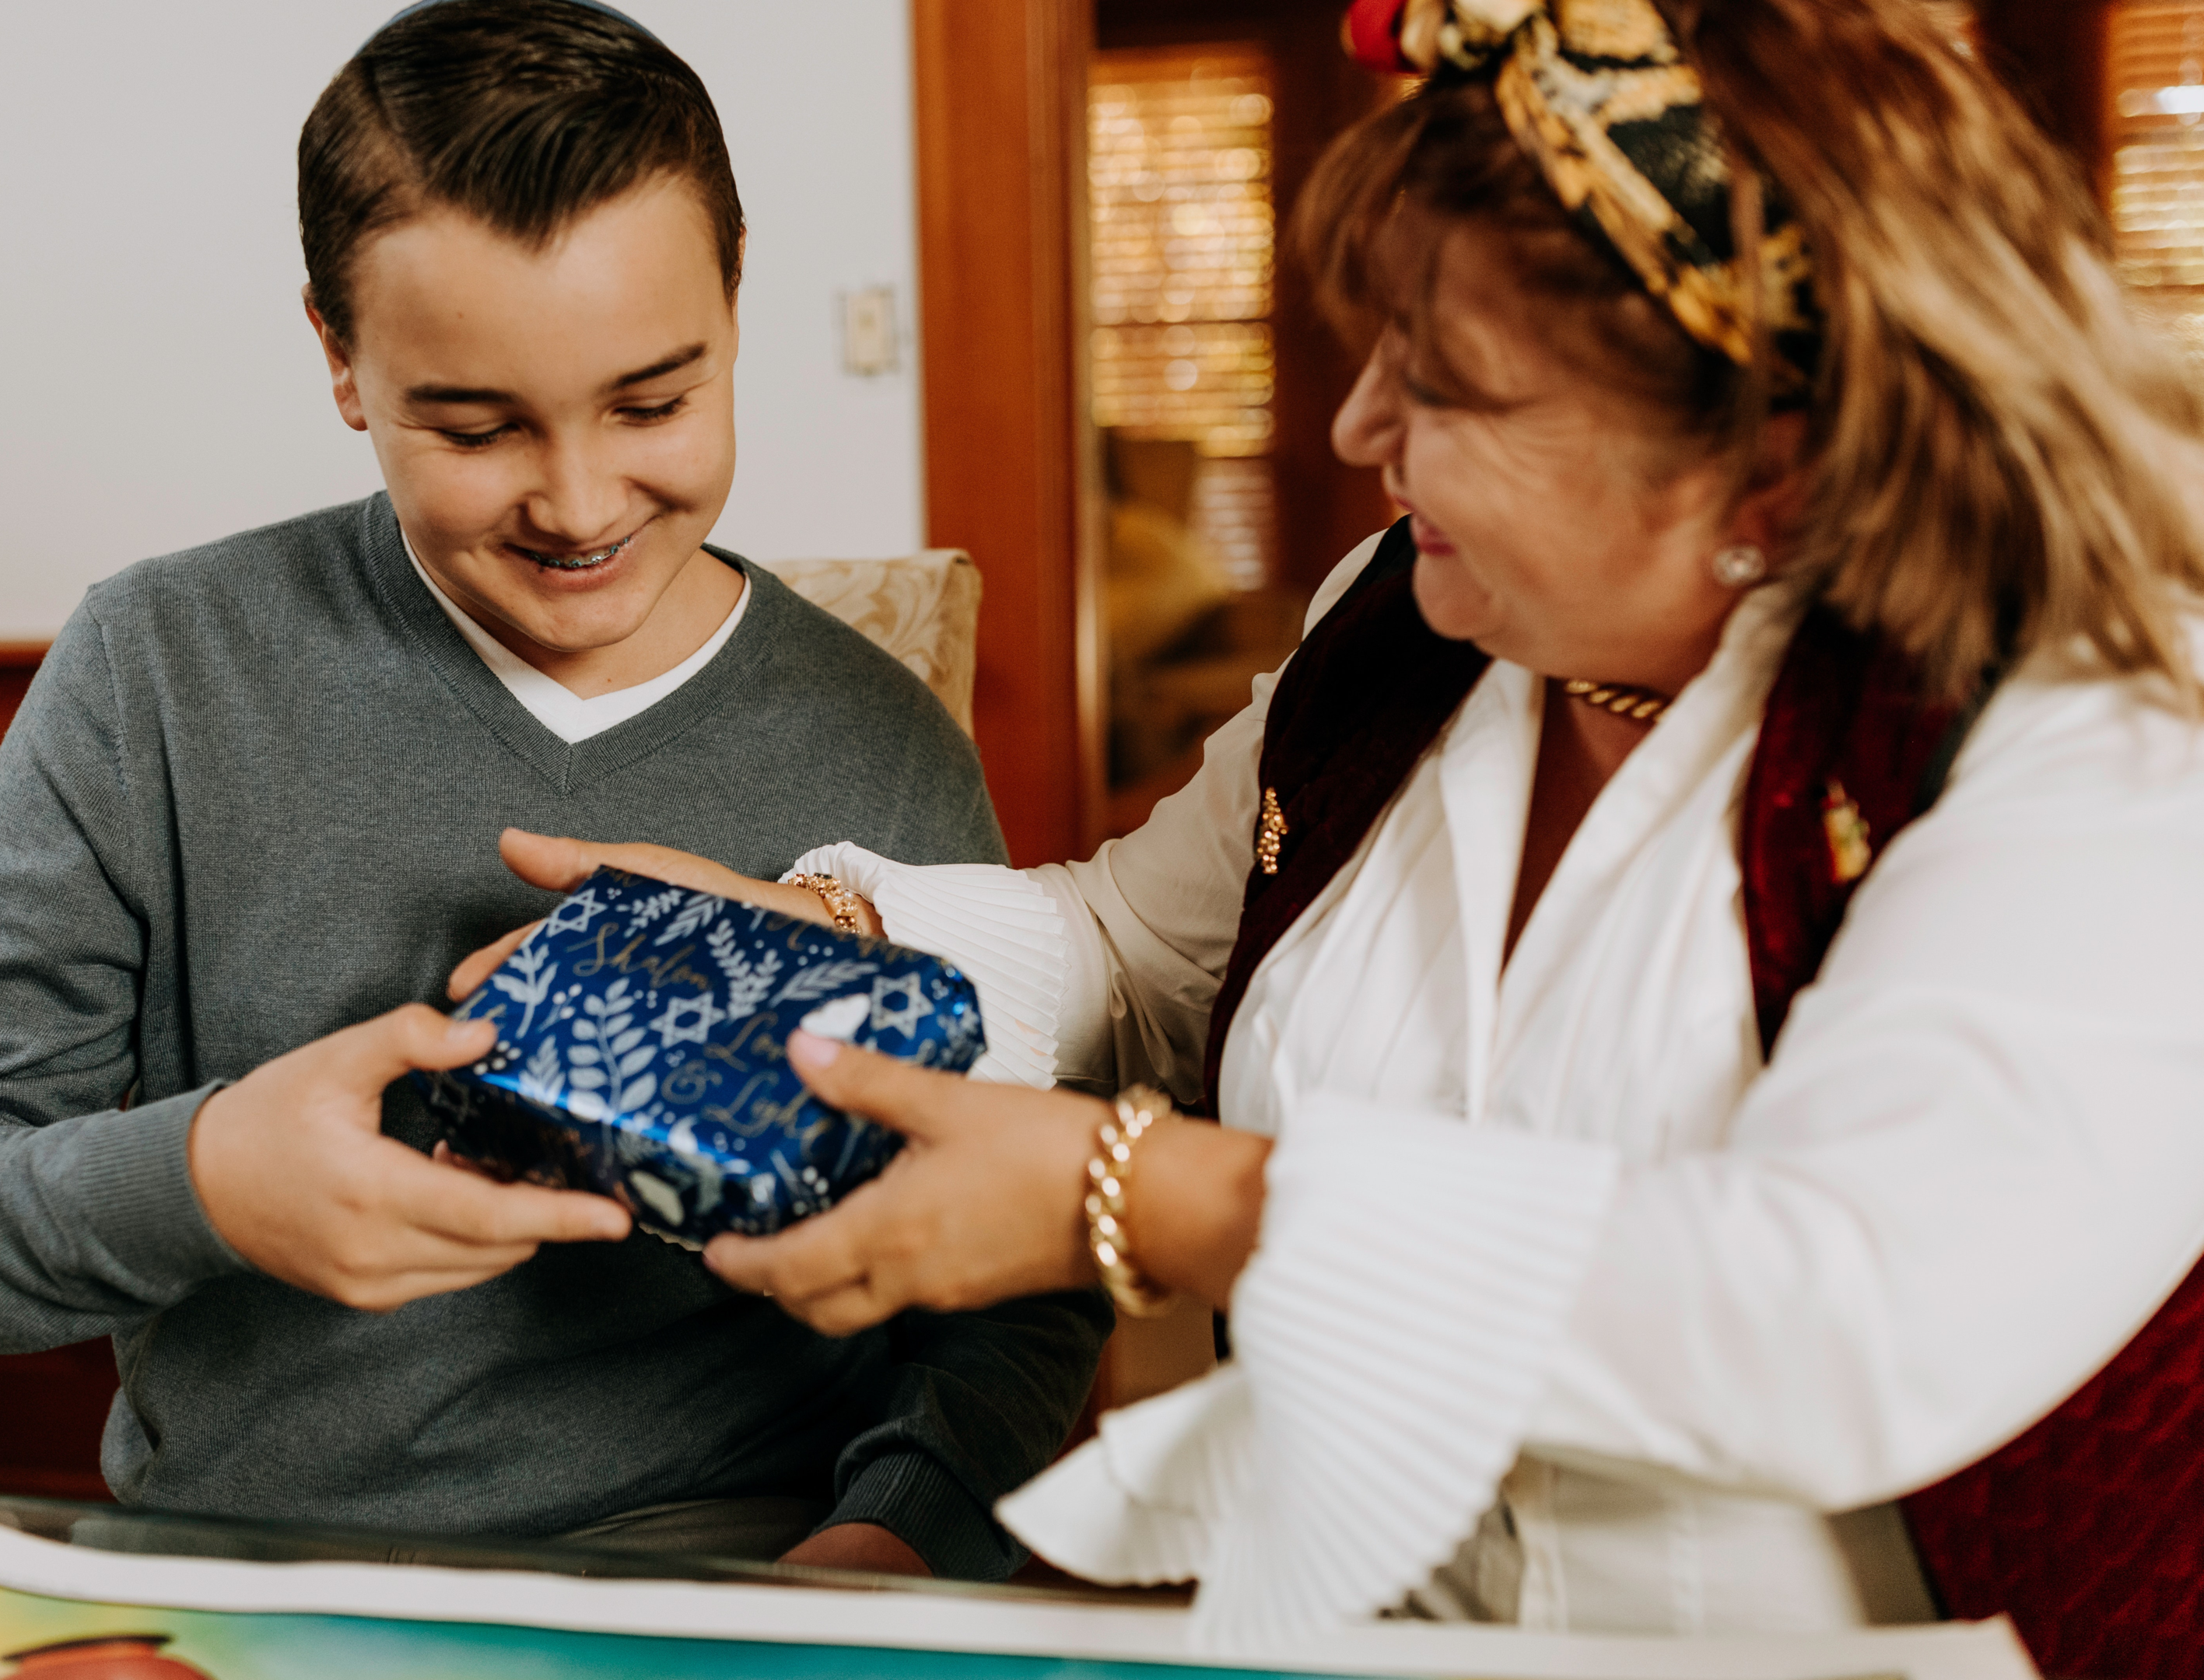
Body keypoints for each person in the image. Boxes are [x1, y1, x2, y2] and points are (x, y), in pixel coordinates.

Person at [480, 0, 2204, 1664]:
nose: (1352, 429)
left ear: (1770, 463)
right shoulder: (1410, 629)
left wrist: (1144, 1196)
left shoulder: (2092, 740)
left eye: (1445, 388)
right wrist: (815, 945)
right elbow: (1139, 954)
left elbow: (1836, 1317)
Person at [0, 0, 1106, 1582]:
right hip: (254, 1572)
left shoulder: (876, 737)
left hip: (737, 1569)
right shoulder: (159, 666)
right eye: (477, 425)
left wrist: (891, 1535)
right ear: (340, 359)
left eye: (653, 402)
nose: (579, 503)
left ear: (736, 298)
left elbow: (1023, 1279)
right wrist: (213, 1177)